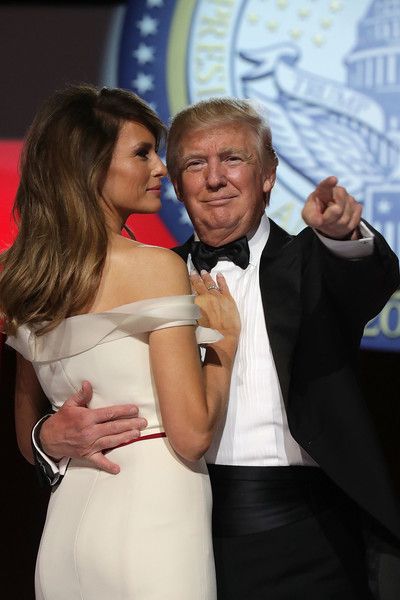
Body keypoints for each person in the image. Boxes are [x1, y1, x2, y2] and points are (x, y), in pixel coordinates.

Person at [18, 97, 400, 599]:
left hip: (305, 537)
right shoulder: (145, 273)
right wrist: (46, 434)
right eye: (195, 164)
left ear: (268, 174)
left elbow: (369, 280)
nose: (214, 178)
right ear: (175, 183)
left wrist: (342, 233)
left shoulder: (312, 261)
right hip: (170, 517)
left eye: (233, 159)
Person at [0, 85, 240, 600]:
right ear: (90, 167)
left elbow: (29, 427)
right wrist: (225, 343)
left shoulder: (20, 276)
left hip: (67, 527)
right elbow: (192, 434)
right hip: (156, 521)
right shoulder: (156, 266)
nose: (161, 168)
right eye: (142, 153)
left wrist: (46, 437)